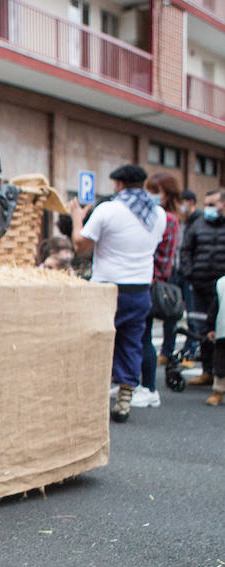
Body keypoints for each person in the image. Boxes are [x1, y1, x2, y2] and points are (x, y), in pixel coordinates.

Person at [69, 163, 166, 423]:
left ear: (119, 184)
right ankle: (125, 396)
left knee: (98, 341)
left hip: (107, 288)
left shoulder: (108, 210)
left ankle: (93, 396)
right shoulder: (158, 214)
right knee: (131, 342)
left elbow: (81, 246)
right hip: (140, 289)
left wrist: (77, 216)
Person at [132, 170, 181, 410]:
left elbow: (163, 258)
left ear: (167, 194)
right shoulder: (161, 216)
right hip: (146, 280)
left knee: (144, 336)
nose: (150, 195)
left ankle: (149, 388)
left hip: (150, 283)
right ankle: (135, 385)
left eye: (155, 191)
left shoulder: (167, 219)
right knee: (138, 335)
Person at [181, 187, 225, 389]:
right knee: (203, 329)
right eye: (206, 204)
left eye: (213, 204)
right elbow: (186, 251)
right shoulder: (197, 225)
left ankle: (219, 375)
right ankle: (207, 371)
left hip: (222, 289)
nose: (209, 208)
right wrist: (191, 274)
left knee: (221, 332)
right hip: (201, 284)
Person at [161, 187, 199, 363]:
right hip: (173, 272)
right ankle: (166, 350)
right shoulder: (175, 221)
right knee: (170, 313)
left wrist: (191, 271)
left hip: (189, 275)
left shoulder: (198, 222)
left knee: (192, 315)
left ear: (189, 203)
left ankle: (190, 352)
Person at [204, 273, 225, 407]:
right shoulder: (222, 283)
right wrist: (211, 327)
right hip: (223, 329)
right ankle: (218, 391)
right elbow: (214, 307)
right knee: (220, 362)